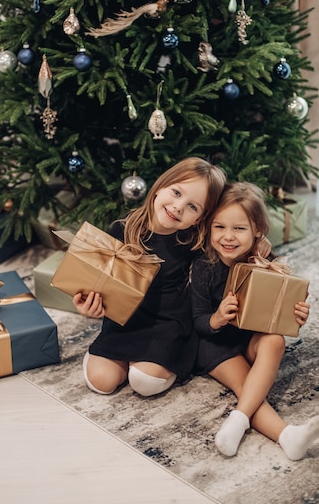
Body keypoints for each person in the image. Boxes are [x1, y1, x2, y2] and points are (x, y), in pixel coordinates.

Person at [191, 182, 319, 460]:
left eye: (239, 229)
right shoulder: (203, 266)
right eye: (219, 227)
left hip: (249, 339)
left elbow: (278, 311)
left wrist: (295, 317)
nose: (228, 237)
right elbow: (197, 321)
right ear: (209, 227)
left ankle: (239, 419)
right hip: (213, 344)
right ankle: (285, 435)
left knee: (275, 340)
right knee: (247, 386)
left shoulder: (266, 261)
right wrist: (218, 317)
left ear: (257, 230)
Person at [73, 157, 227, 397]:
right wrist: (89, 305)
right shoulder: (122, 228)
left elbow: (230, 252)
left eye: (193, 207)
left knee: (144, 383)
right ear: (159, 187)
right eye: (176, 193)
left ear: (199, 218)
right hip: (124, 321)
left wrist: (261, 246)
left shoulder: (192, 240)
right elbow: (97, 283)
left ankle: (157, 361)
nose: (178, 207)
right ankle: (124, 358)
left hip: (168, 324)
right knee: (102, 382)